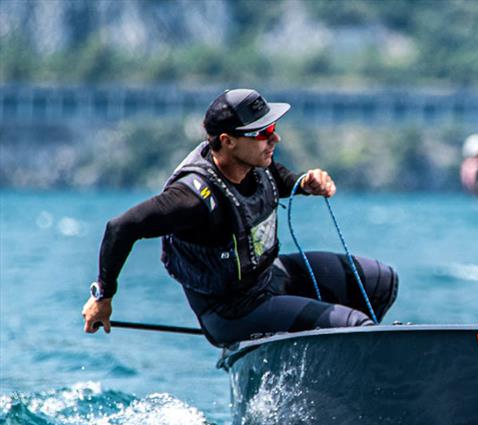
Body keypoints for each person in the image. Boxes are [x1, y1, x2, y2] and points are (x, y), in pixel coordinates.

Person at [82, 88, 398, 347]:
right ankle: (347, 365)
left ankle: (340, 364)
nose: (275, 140)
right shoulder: (191, 199)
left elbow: (280, 180)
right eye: (263, 132)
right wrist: (103, 296)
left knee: (382, 281)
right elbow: (121, 227)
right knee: (356, 328)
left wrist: (305, 183)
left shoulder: (254, 160)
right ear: (227, 141)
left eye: (273, 129)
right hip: (234, 312)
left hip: (272, 278)